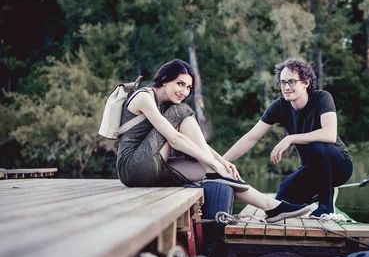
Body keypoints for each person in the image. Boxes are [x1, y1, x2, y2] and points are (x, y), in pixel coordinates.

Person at [115, 59, 310, 222]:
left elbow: (195, 143)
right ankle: (217, 172)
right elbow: (174, 139)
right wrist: (212, 163)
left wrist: (222, 162)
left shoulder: (167, 104)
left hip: (154, 164)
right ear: (165, 80)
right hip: (132, 167)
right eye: (180, 84)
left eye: (189, 87)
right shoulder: (144, 97)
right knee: (181, 111)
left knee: (220, 173)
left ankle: (271, 207)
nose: (184, 91)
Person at [224, 58, 353, 218]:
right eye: (282, 82)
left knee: (316, 146)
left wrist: (290, 138)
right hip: (311, 168)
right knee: (282, 199)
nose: (286, 87)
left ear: (306, 82)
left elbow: (329, 134)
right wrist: (220, 162)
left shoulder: (322, 98)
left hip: (339, 167)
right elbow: (251, 137)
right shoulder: (279, 106)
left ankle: (326, 206)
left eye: (291, 82)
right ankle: (323, 192)